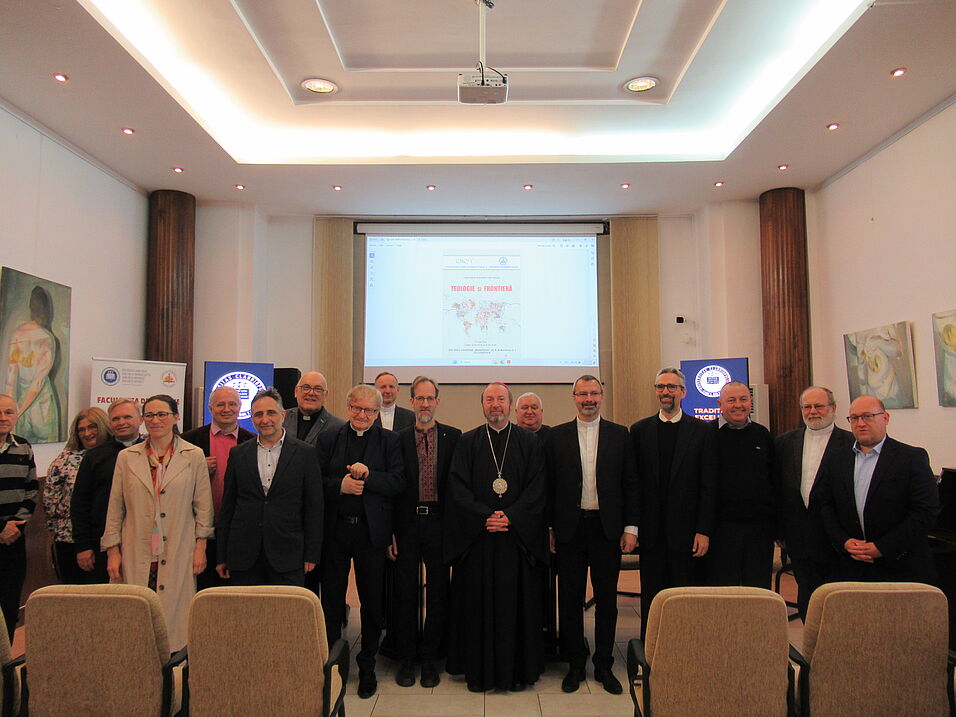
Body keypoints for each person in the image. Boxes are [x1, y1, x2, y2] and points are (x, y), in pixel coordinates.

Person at [444, 382, 548, 693]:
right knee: (476, 606)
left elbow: (538, 487)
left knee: (516, 607)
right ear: (483, 405)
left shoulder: (529, 442)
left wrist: (511, 516)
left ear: (510, 405)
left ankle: (518, 669)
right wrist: (484, 516)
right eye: (489, 400)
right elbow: (457, 487)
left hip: (516, 542)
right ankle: (476, 666)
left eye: (500, 399)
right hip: (479, 542)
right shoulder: (468, 441)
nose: (495, 405)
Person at [547, 375, 637, 694]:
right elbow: (550, 488)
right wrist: (550, 528)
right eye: (583, 394)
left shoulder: (620, 435)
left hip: (606, 529)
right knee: (569, 600)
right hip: (570, 529)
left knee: (606, 601)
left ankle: (603, 665)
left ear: (602, 396)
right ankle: (574, 664)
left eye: (594, 393)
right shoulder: (556, 437)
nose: (589, 399)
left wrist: (630, 528)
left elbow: (630, 484)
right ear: (573, 398)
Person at [101, 394, 213, 651]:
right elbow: (115, 507)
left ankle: (172, 661)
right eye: (149, 415)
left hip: (178, 545)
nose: (156, 420)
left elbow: (203, 506)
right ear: (143, 420)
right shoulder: (127, 457)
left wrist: (201, 547)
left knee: (174, 614)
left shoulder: (193, 455)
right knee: (135, 610)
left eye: (162, 414)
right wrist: (112, 551)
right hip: (136, 545)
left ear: (176, 417)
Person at [318, 384, 404, 699]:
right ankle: (332, 663)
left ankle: (367, 663)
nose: (362, 415)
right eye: (357, 408)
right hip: (336, 532)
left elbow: (398, 481)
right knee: (331, 601)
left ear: (377, 412)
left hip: (371, 533)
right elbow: (316, 482)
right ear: (348, 406)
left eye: (369, 410)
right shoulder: (330, 438)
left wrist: (370, 477)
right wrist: (339, 486)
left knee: (371, 602)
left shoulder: (390, 440)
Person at [629, 367, 715, 638]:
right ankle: (651, 649)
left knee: (685, 596)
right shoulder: (639, 430)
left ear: (683, 392)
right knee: (652, 596)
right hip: (651, 533)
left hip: (687, 532)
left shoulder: (702, 431)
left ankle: (684, 648)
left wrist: (703, 529)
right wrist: (634, 527)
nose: (665, 392)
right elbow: (634, 484)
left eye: (671, 387)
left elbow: (708, 485)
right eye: (660, 387)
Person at [816, 395, 939, 583]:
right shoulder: (836, 459)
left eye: (868, 416)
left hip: (899, 566)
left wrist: (882, 547)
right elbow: (826, 505)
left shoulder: (911, 458)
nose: (861, 423)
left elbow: (924, 512)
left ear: (886, 418)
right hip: (851, 566)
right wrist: (844, 542)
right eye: (854, 418)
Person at [392, 376, 461, 688]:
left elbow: (458, 488)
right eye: (418, 399)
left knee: (437, 594)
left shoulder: (453, 437)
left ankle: (431, 658)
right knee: (405, 593)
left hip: (439, 524)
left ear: (437, 401)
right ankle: (407, 658)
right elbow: (391, 490)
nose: (424, 404)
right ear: (411, 402)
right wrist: (390, 531)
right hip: (406, 525)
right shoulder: (397, 439)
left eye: (429, 398)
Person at [216, 388, 323, 586]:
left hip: (289, 554)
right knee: (247, 614)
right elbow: (228, 506)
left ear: (282, 415)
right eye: (258, 414)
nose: (265, 420)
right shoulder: (238, 454)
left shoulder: (305, 454)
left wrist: (312, 553)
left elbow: (314, 507)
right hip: (244, 555)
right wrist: (222, 554)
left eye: (271, 413)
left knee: (286, 614)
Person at [774, 386, 853, 620]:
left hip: (838, 539)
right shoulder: (784, 443)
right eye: (807, 407)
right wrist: (779, 530)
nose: (813, 411)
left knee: (838, 599)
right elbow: (778, 488)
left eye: (819, 406)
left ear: (833, 409)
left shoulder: (851, 443)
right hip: (799, 537)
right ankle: (811, 649)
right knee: (807, 594)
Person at [182, 386, 255, 588]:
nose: (226, 408)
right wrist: (196, 469)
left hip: (236, 529)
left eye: (232, 404)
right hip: (197, 528)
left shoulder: (252, 442)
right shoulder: (189, 440)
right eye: (220, 404)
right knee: (200, 586)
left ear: (240, 407)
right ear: (210, 408)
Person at [707, 381, 777, 588]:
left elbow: (773, 480)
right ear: (720, 404)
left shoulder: (763, 434)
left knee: (757, 588)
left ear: (751, 402)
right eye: (731, 400)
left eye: (743, 399)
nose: (738, 405)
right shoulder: (707, 434)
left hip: (759, 530)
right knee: (723, 589)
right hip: (720, 530)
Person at [70, 398, 143, 583]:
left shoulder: (153, 452)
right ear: (110, 423)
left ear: (140, 419)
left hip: (143, 540)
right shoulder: (94, 456)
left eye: (127, 417)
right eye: (116, 419)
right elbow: (80, 503)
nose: (121, 422)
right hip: (101, 543)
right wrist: (83, 546)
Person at [42, 406, 111, 584]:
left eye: (92, 427)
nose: (87, 433)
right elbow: (51, 503)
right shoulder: (65, 460)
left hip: (108, 540)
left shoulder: (118, 455)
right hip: (70, 540)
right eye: (82, 429)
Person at [0, 394, 37, 641]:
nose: (3, 418)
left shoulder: (23, 446)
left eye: (8, 413)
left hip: (14, 539)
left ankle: (5, 669)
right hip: (4, 531)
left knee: (9, 604)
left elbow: (32, 490)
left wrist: (14, 526)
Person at [4, 285, 61, 443]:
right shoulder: (46, 337)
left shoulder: (18, 333)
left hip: (24, 404)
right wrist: (15, 412)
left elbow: (11, 378)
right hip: (42, 406)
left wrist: (13, 411)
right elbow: (37, 383)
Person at [282, 371, 346, 447]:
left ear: (325, 395)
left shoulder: (338, 427)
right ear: (296, 391)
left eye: (318, 389)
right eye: (306, 387)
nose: (311, 393)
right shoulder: (281, 418)